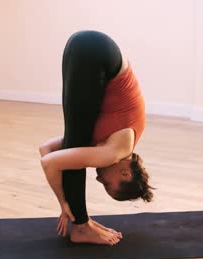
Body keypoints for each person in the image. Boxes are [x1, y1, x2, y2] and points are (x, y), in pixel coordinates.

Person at [39, 30, 154, 246]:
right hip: (95, 54)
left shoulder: (108, 140)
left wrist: (68, 203)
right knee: (76, 147)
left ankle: (82, 224)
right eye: (108, 185)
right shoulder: (113, 151)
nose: (99, 179)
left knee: (76, 144)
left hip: (87, 46)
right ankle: (81, 227)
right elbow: (49, 162)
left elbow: (46, 149)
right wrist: (64, 203)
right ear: (125, 172)